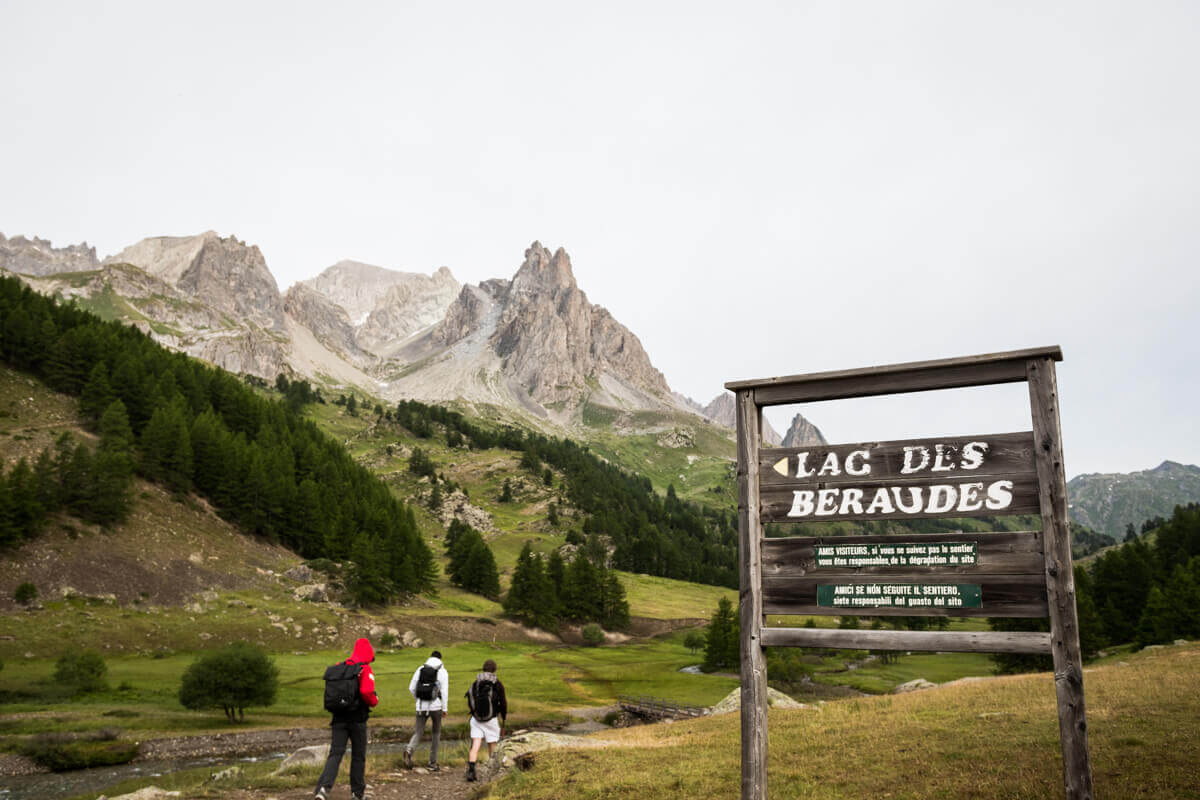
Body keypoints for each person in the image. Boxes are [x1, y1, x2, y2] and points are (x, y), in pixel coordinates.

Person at [315, 638, 378, 800]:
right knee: (358, 756)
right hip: (357, 719)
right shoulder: (364, 669)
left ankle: (323, 789)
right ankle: (357, 793)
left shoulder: (339, 667)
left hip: (338, 717)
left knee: (335, 753)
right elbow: (366, 692)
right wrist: (375, 701)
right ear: (368, 652)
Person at [403, 649, 449, 770]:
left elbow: (411, 688)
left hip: (421, 706)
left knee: (418, 731)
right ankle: (432, 763)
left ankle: (409, 750)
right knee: (436, 733)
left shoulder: (420, 669)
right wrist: (445, 708)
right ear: (440, 659)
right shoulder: (443, 671)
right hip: (436, 706)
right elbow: (444, 692)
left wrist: (418, 699)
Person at [465, 658, 507, 782]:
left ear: (483, 669)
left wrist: (475, 713)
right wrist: (503, 717)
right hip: (492, 719)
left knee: (475, 745)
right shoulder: (497, 683)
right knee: (492, 744)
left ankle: (471, 771)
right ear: (494, 670)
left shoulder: (475, 683)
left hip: (476, 719)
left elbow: (470, 700)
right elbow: (503, 703)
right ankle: (492, 772)